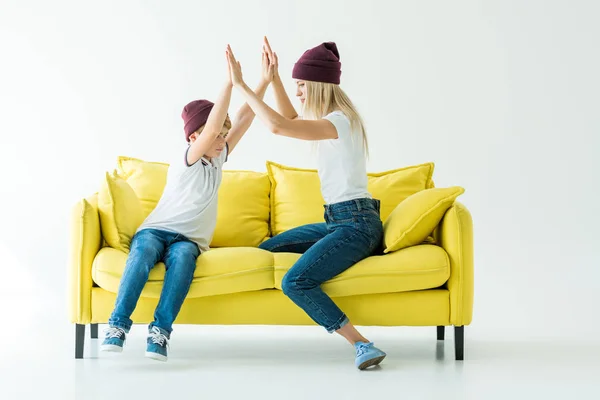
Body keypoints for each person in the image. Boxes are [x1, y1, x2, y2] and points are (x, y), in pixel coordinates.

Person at [101, 48, 275, 361]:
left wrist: (261, 81)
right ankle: (117, 325)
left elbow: (245, 119)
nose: (221, 140)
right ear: (193, 138)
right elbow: (212, 129)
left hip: (189, 242)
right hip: (155, 231)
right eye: (214, 135)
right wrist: (229, 83)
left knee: (182, 263)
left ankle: (160, 332)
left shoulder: (218, 158)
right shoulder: (188, 160)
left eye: (223, 135)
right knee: (140, 257)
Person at [226, 38, 387, 370]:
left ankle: (361, 344)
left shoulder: (340, 122)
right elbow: (289, 117)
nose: (299, 91)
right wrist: (273, 79)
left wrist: (240, 85)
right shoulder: (331, 120)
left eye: (302, 85)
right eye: (296, 84)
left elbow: (277, 125)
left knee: (295, 281)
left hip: (356, 225)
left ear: (318, 85)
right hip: (340, 222)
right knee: (268, 248)